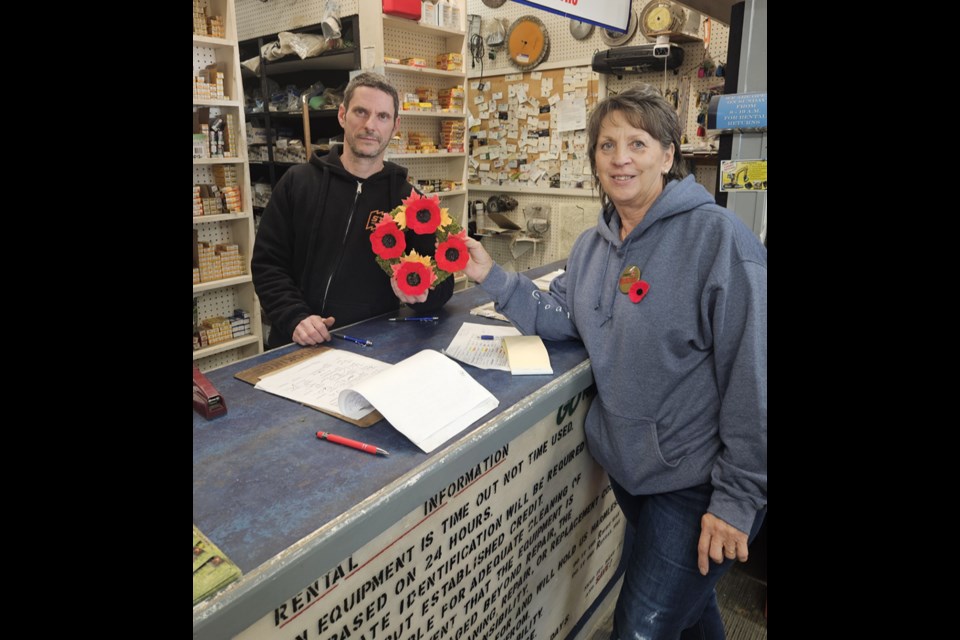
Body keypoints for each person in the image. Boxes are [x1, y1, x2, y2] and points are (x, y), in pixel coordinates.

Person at [462, 84, 766, 639]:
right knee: (690, 611)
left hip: (694, 479)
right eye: (607, 145)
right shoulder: (592, 245)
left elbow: (755, 376)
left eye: (638, 143)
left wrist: (738, 497)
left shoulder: (718, 240)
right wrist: (494, 277)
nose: (620, 158)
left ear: (668, 155)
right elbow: (569, 319)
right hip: (631, 471)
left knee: (640, 626)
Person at [252, 72, 453, 349]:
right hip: (296, 343)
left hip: (372, 347)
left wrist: (421, 294)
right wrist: (294, 317)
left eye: (382, 116)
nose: (370, 125)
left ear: (395, 126)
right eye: (361, 112)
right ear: (342, 115)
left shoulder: (411, 204)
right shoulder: (297, 183)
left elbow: (443, 282)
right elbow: (267, 264)